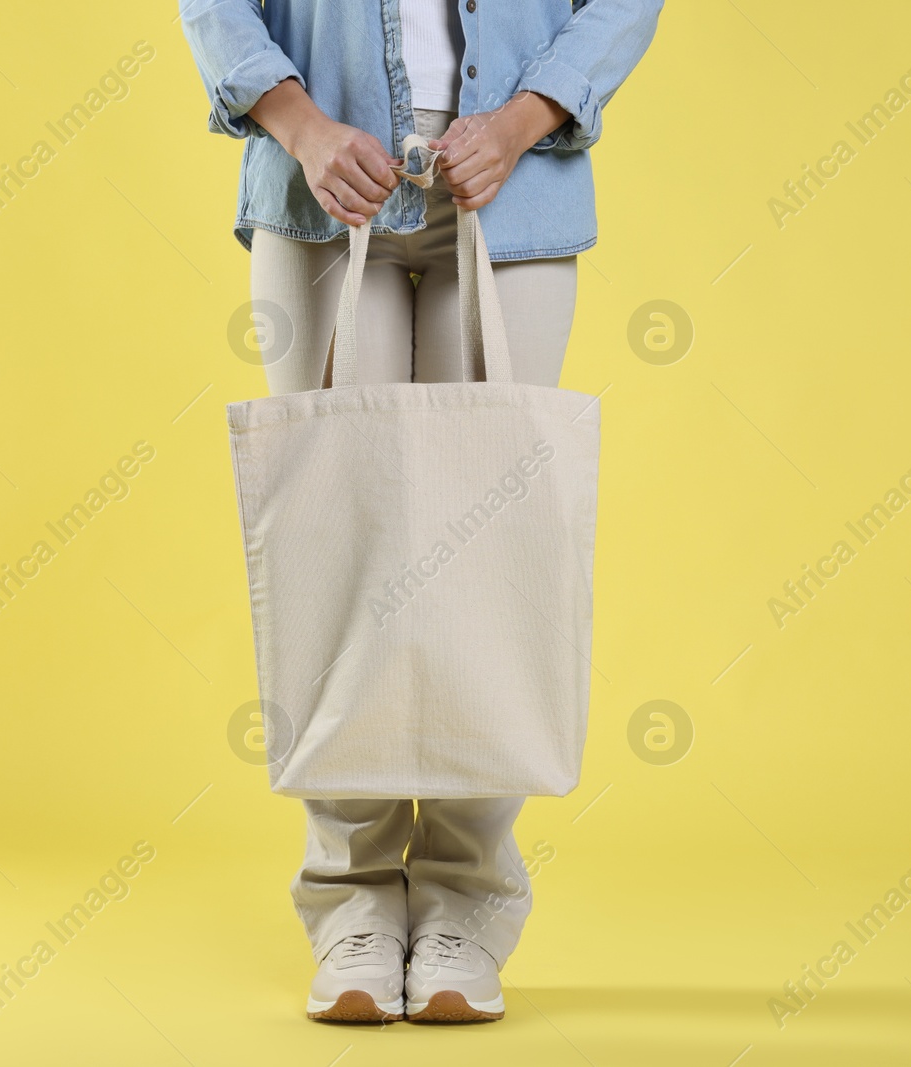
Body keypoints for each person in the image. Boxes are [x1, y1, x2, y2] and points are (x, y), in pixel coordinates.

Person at [180, 0, 661, 1023]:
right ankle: (350, 905)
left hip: (511, 193)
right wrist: (302, 127)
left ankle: (461, 908)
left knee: (487, 568)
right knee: (336, 550)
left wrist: (520, 119)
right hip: (322, 194)